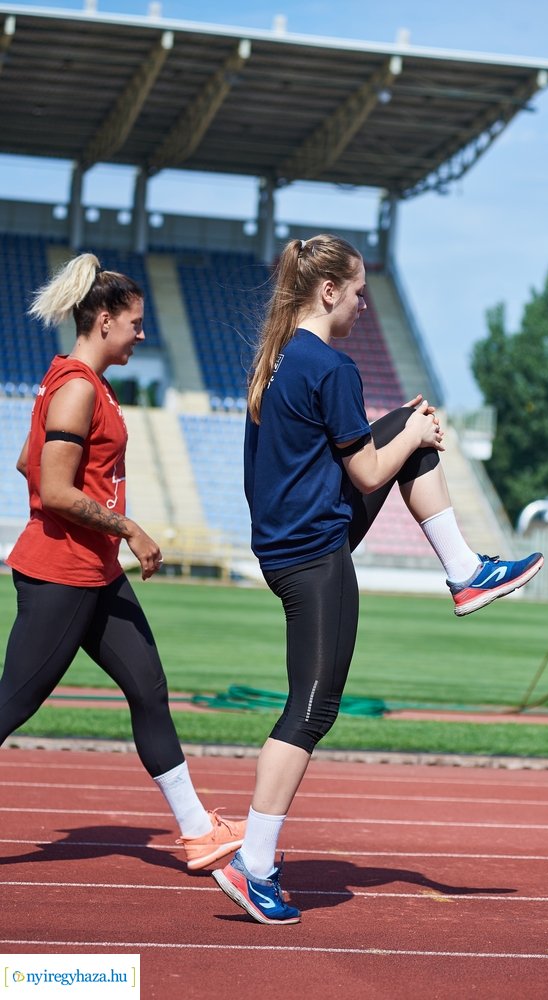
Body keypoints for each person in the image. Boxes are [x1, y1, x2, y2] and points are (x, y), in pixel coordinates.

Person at [212, 234, 543, 924]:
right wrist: (417, 436)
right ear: (328, 290)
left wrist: (409, 432)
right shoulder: (330, 366)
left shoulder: (277, 358)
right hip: (311, 552)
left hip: (287, 539)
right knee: (310, 710)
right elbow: (366, 473)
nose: (364, 303)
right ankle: (255, 864)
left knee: (406, 426)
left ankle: (465, 572)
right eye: (358, 291)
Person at [0, 253, 244, 872]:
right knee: (12, 705)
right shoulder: (78, 387)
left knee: (148, 688)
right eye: (135, 323)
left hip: (94, 572)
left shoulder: (77, 380)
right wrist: (130, 528)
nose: (142, 334)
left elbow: (29, 465)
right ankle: (197, 828)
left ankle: (196, 830)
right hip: (61, 573)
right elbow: (52, 488)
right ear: (104, 320)